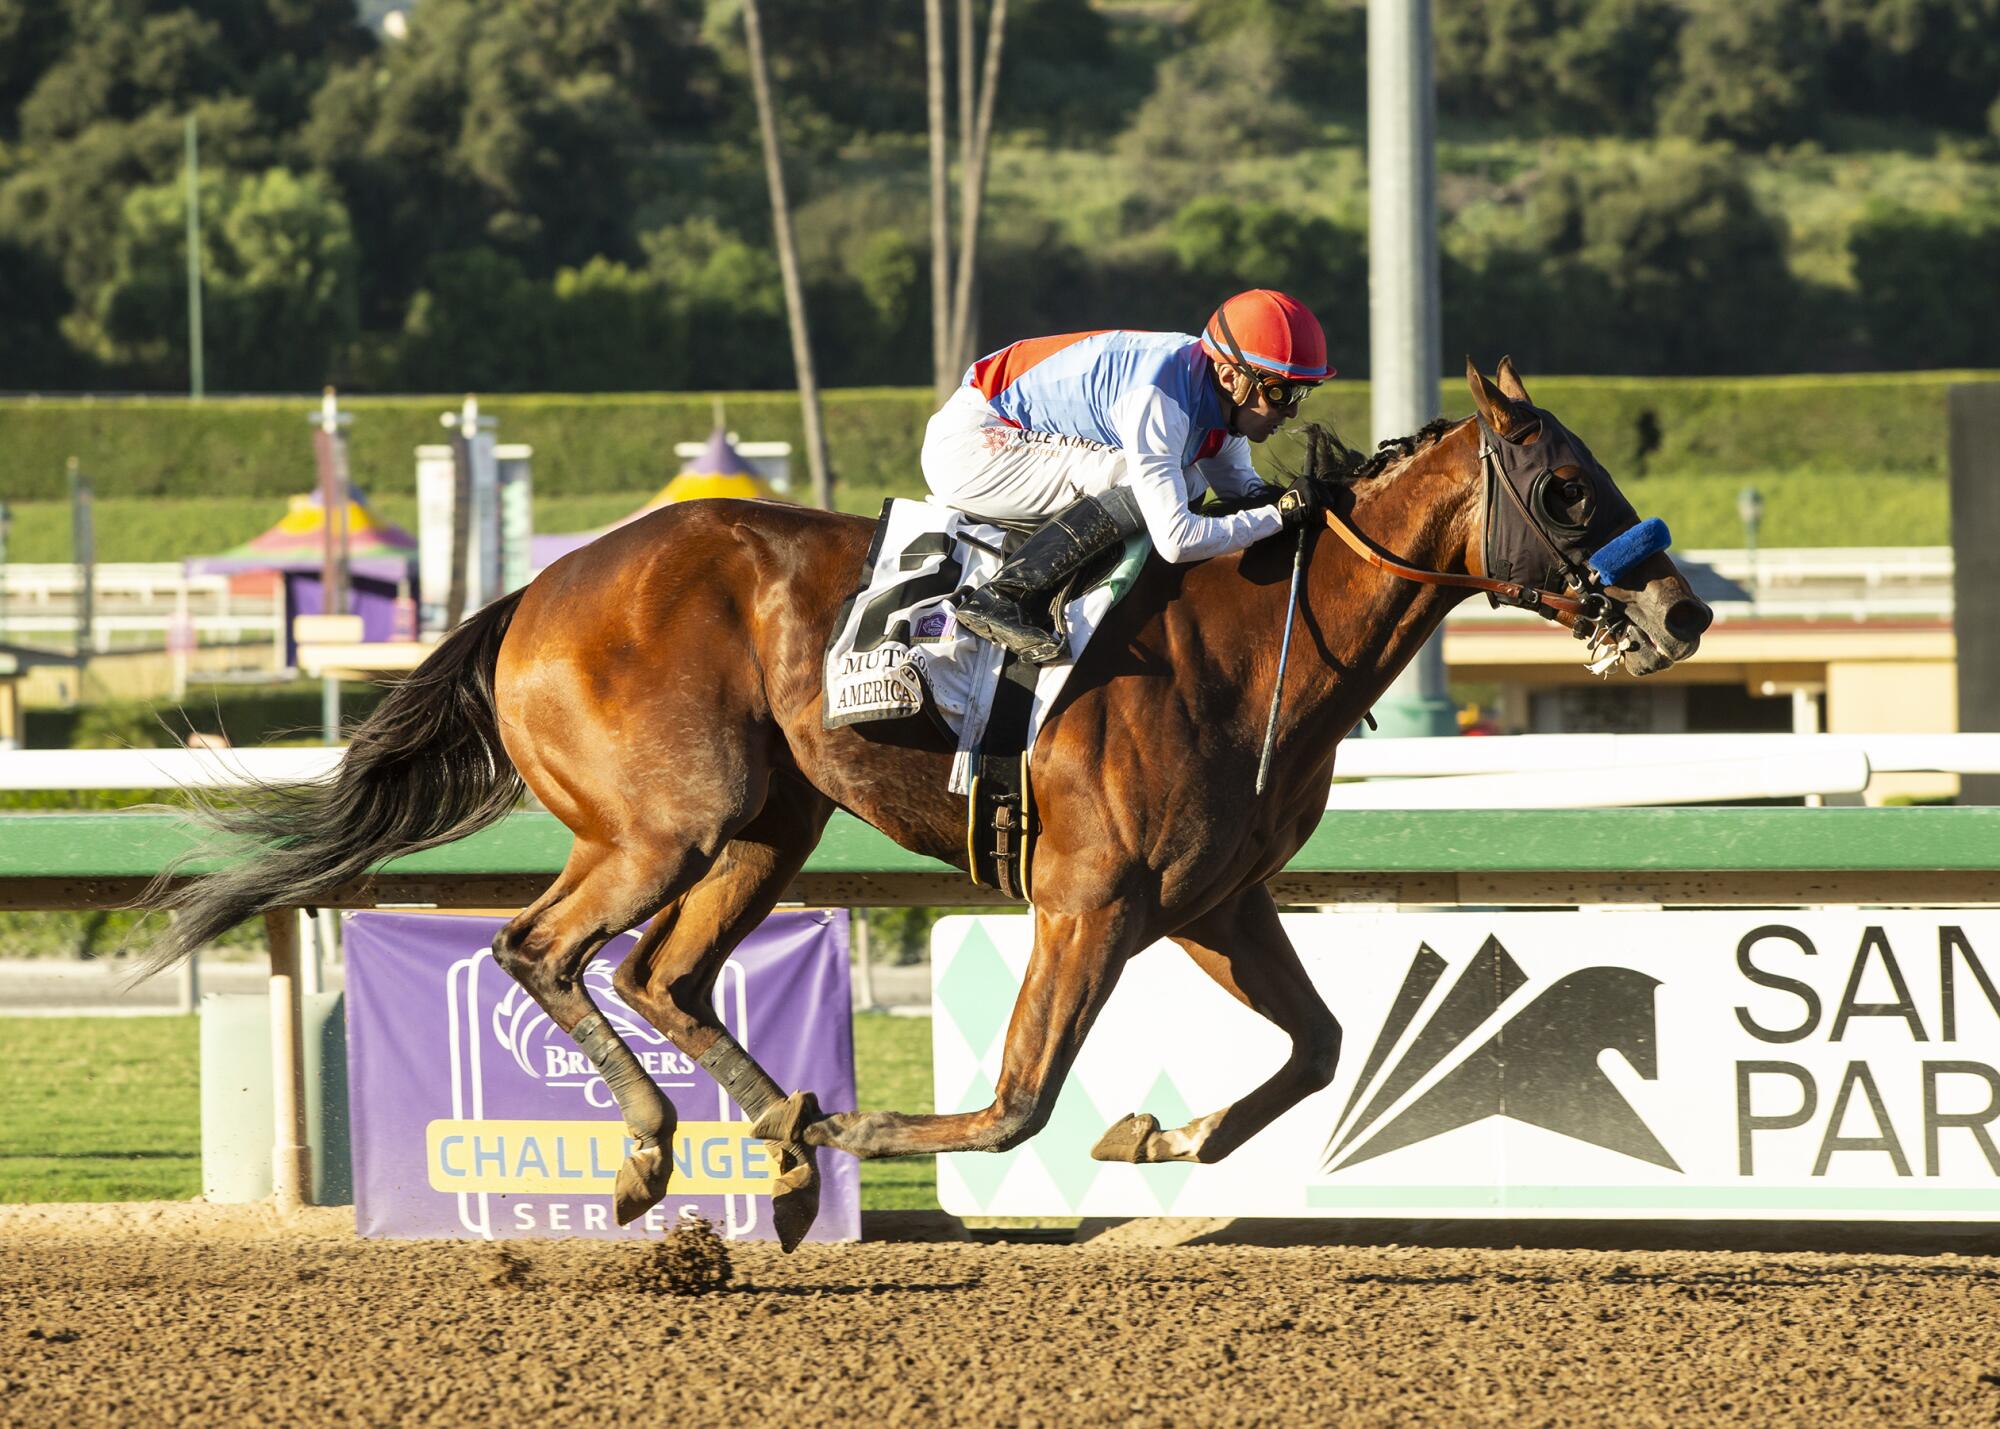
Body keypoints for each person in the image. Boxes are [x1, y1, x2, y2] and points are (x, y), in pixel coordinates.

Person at [924, 289, 1330, 664]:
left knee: (1188, 483)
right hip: (974, 445)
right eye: (1282, 393)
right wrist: (1277, 515)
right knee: (1146, 484)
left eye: (1303, 392)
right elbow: (1177, 541)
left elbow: (1245, 493)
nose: (1292, 411)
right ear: (1230, 378)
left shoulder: (1214, 403)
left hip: (1007, 431)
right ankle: (1005, 593)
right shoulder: (1160, 399)